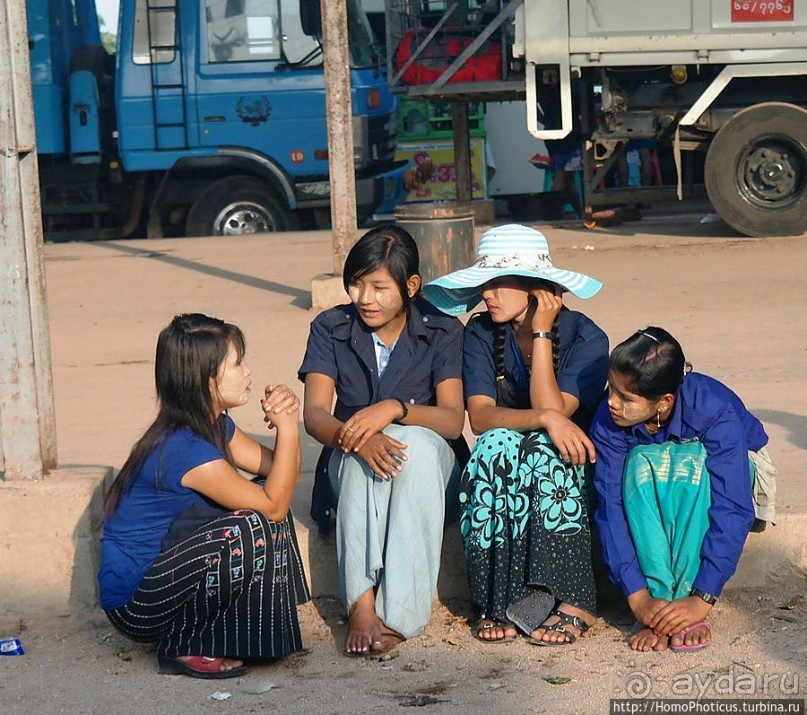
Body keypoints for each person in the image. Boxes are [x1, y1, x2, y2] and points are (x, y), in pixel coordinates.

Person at [424, 223, 609, 646]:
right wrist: (546, 420)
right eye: (484, 283)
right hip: (513, 464)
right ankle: (499, 599)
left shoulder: (587, 337)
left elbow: (556, 409)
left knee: (545, 451)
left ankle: (573, 599)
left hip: (573, 469)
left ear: (536, 288)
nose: (486, 294)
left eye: (498, 283)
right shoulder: (481, 332)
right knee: (492, 448)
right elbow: (482, 417)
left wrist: (542, 332)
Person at [98, 313, 309, 679]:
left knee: (264, 503)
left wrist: (286, 422)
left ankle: (247, 637)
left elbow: (279, 474)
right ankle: (182, 646)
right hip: (137, 604)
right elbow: (274, 506)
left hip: (168, 579)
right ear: (207, 381)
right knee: (250, 523)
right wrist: (289, 427)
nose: (248, 372)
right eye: (237, 363)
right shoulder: (185, 448)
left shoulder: (213, 424)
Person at [299, 224, 467, 656]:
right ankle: (361, 603)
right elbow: (315, 415)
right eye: (356, 285)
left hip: (428, 470)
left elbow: (450, 421)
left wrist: (395, 409)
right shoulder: (330, 327)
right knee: (357, 460)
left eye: (378, 287)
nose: (364, 299)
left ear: (411, 286)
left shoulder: (442, 330)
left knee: (418, 449)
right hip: (350, 459)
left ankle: (401, 615)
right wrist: (353, 438)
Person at [590, 327, 777, 653]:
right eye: (611, 389)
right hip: (657, 479)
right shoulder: (608, 419)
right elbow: (611, 506)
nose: (611, 403)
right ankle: (660, 602)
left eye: (626, 398)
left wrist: (703, 598)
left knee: (692, 462)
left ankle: (686, 603)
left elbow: (732, 505)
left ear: (664, 402)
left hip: (724, 475)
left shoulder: (715, 409)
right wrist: (639, 598)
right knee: (640, 464)